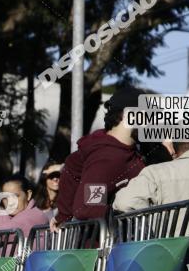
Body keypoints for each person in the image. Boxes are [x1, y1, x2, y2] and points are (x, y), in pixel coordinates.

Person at [51, 87, 147, 229]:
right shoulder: (108, 158)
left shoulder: (124, 150)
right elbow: (89, 207)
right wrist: (127, 214)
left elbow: (71, 166)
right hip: (102, 247)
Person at [0, 173, 50, 238]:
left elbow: (7, 231)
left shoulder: (36, 215)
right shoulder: (6, 216)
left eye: (16, 196)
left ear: (28, 195)